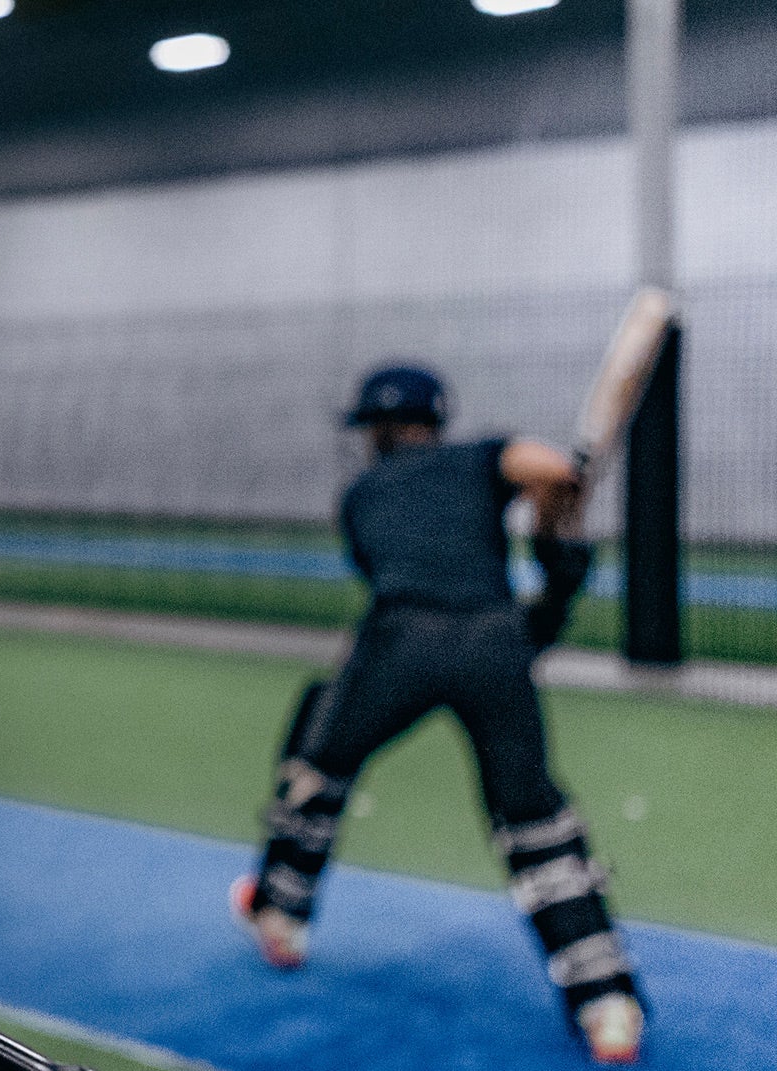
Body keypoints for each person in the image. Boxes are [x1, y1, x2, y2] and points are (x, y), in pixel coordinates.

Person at [231, 365, 644, 1063]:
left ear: (381, 430)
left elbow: (399, 576)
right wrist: (555, 528)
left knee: (318, 759)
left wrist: (551, 528)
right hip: (493, 641)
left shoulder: (361, 495)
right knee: (533, 814)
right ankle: (608, 1003)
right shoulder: (481, 456)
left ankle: (280, 911)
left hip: (400, 641)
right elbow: (546, 470)